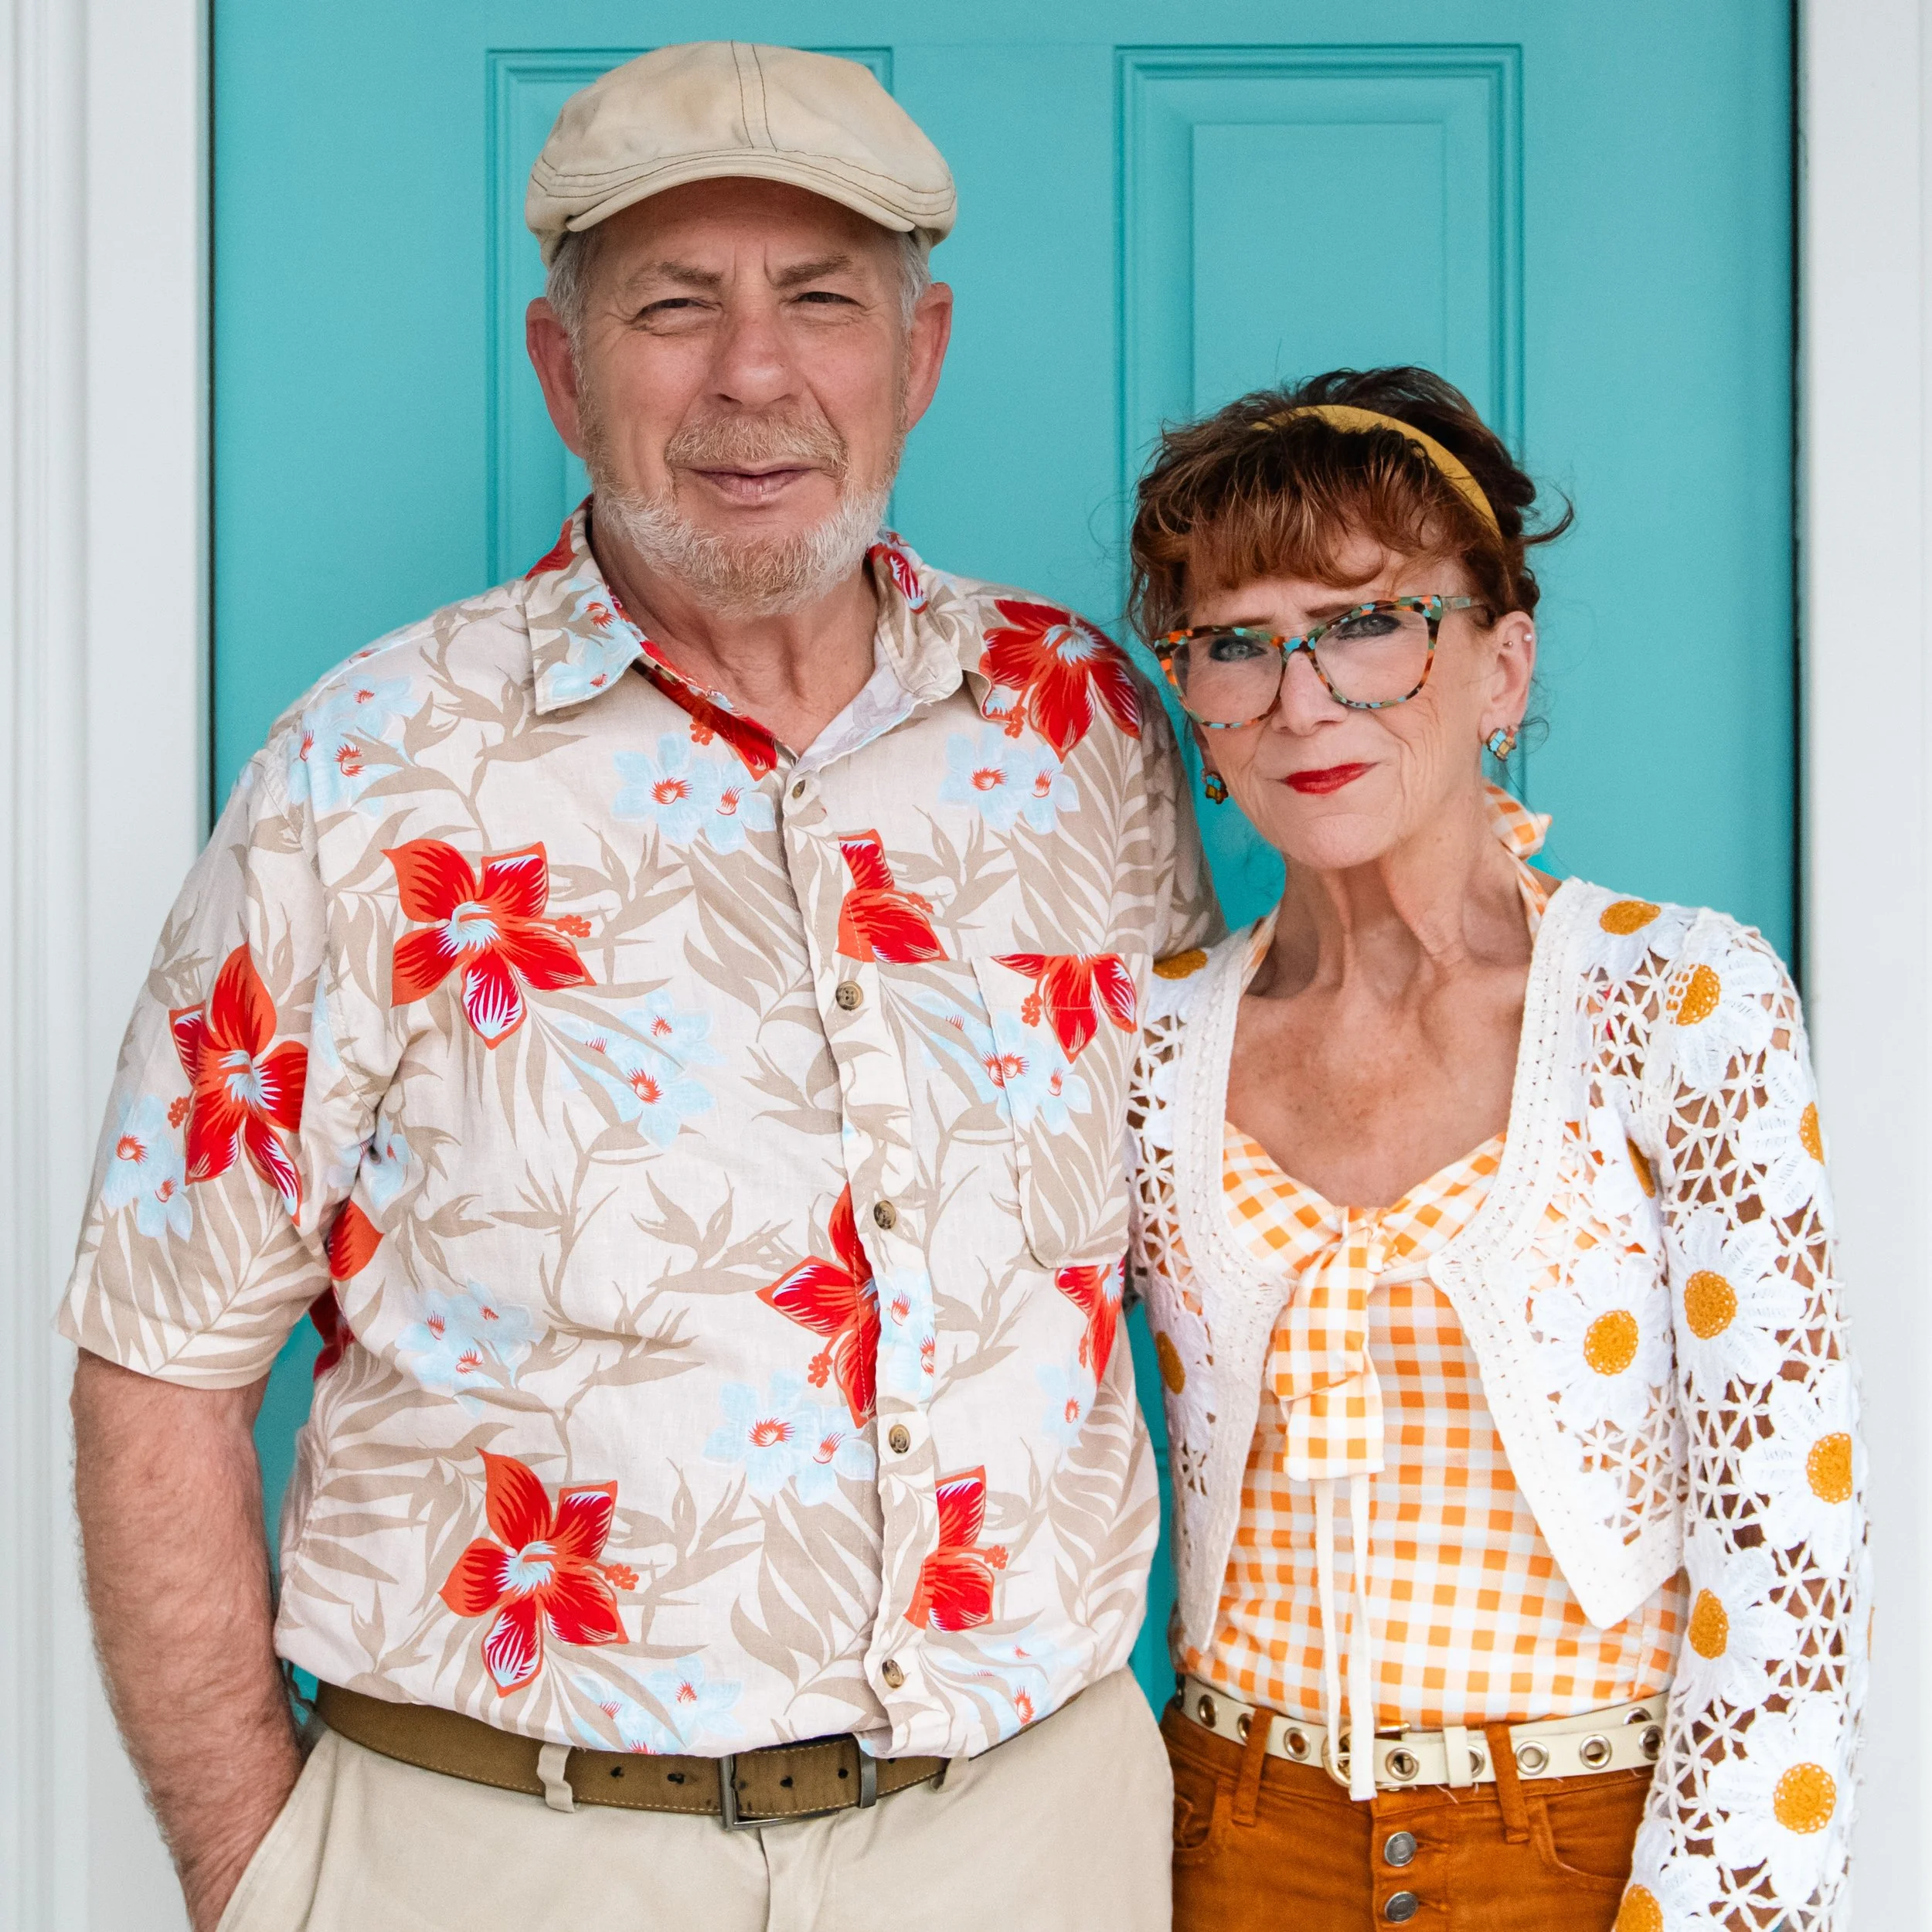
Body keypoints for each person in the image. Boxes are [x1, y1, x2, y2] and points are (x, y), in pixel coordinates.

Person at [62, 42, 1212, 1932]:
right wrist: (257, 1874)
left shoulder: (1075, 722)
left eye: (819, 301)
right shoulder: (373, 772)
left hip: (1025, 1841)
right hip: (495, 1851)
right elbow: (159, 1353)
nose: (752, 373)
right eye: (673, 307)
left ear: (915, 359)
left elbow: (1196, 1256)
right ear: (562, 366)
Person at [1123, 367, 1867, 1930]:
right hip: (1231, 1841)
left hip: (1576, 1846)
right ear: (1190, 701)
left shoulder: (1674, 1002)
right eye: (1235, 646)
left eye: (1367, 623)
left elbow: (1783, 1551)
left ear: (1500, 664)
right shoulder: (1151, 1045)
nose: (1302, 699)